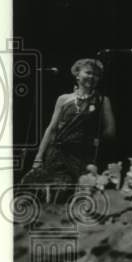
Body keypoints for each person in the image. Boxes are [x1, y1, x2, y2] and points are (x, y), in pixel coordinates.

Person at [23, 57, 116, 200]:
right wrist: (38, 157)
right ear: (77, 74)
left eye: (96, 75)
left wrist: (93, 139)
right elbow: (51, 129)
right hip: (56, 154)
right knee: (50, 194)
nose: (92, 77)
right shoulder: (63, 99)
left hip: (82, 157)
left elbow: (110, 131)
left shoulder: (102, 100)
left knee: (76, 196)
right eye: (89, 72)